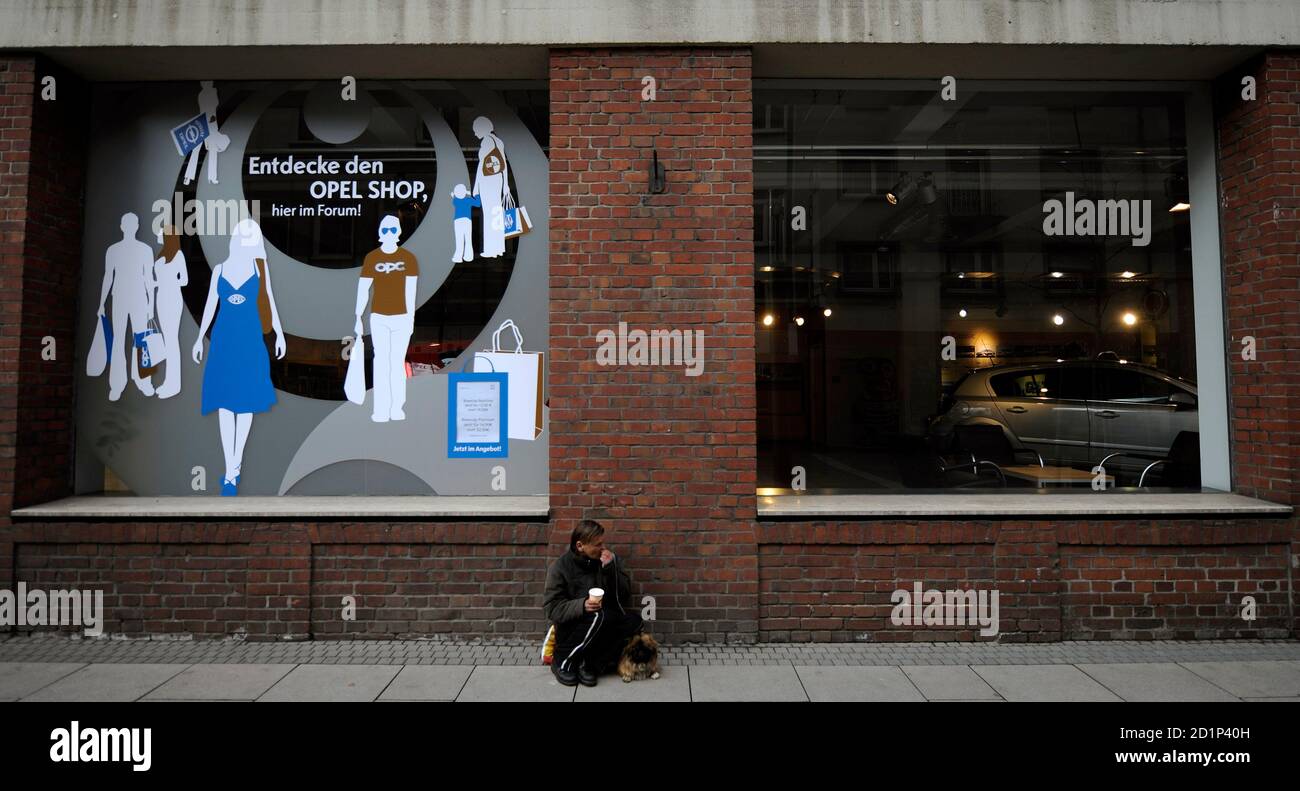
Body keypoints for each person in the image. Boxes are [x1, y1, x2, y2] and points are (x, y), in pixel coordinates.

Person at [192, 218, 285, 496]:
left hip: (249, 341)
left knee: (244, 405)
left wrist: (279, 334)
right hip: (223, 342)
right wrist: (199, 338)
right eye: (242, 236)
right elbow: (210, 305)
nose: (245, 241)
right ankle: (230, 467)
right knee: (224, 404)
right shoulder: (220, 269)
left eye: (250, 236)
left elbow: (269, 300)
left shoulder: (259, 269)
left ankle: (234, 470)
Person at [542, 519, 644, 687]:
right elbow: (551, 608)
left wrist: (611, 570)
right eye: (597, 544)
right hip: (574, 627)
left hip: (602, 621)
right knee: (596, 615)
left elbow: (624, 595)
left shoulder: (606, 561)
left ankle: (589, 664)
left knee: (634, 622)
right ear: (580, 546)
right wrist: (582, 605)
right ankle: (562, 660)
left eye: (603, 542)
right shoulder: (560, 567)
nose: (603, 548)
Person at [355, 214, 419, 422]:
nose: (389, 234)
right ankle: (381, 409)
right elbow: (363, 289)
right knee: (381, 361)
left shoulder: (409, 258)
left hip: (401, 318)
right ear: (380, 233)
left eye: (393, 229)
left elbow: (411, 291)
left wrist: (410, 319)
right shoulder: (372, 258)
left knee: (396, 361)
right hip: (379, 317)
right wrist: (358, 316)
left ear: (399, 232)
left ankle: (397, 407)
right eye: (385, 229)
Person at [97, 212, 156, 401]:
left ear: (136, 226)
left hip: (139, 297)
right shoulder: (113, 250)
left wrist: (150, 305)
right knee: (119, 340)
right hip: (120, 297)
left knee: (140, 341)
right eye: (127, 224)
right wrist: (101, 303)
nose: (130, 227)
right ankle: (117, 384)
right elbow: (108, 277)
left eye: (133, 224)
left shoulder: (145, 250)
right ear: (123, 226)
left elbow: (149, 279)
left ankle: (143, 381)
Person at [152, 225, 188, 399]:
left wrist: (169, 282)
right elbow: (157, 280)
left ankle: (174, 383)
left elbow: (185, 280)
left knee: (172, 340)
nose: (159, 235)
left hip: (173, 298)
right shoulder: (160, 256)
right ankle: (168, 381)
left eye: (162, 233)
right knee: (168, 340)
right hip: (161, 298)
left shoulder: (178, 256)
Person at [471, 116, 511, 259]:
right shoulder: (498, 141)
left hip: (487, 181)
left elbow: (481, 166)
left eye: (476, 130)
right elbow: (503, 165)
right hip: (497, 181)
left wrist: (476, 188)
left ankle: (490, 249)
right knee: (496, 216)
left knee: (489, 216)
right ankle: (498, 248)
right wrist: (505, 184)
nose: (475, 133)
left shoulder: (486, 141)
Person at [450, 183, 479, 263]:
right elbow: (478, 204)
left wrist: (453, 195)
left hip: (458, 221)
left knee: (459, 240)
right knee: (468, 239)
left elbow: (454, 199)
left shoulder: (455, 200)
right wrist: (475, 195)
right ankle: (468, 257)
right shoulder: (468, 199)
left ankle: (458, 257)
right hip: (467, 221)